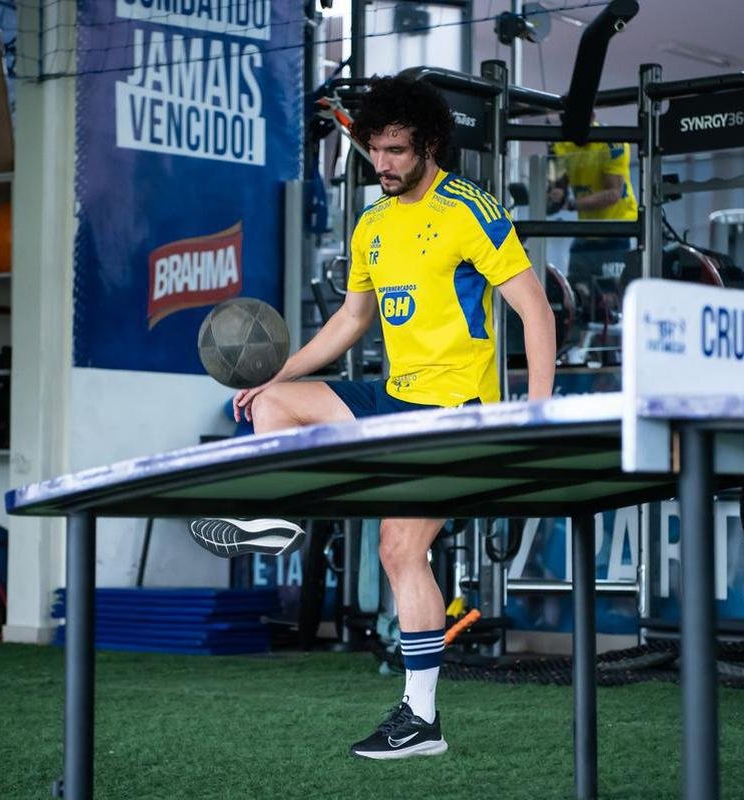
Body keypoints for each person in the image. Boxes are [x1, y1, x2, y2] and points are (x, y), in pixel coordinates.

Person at [188, 75, 555, 760]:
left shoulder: (468, 209)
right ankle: (279, 522)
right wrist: (280, 371)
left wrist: (533, 413)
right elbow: (352, 319)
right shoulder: (372, 222)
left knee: (398, 549)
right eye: (373, 152)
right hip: (394, 397)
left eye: (394, 151)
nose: (381, 165)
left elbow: (533, 311)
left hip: (455, 411)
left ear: (429, 145)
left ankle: (421, 721)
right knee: (271, 403)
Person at [549, 137, 638, 321]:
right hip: (586, 234)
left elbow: (613, 193)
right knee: (578, 302)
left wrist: (571, 204)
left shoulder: (612, 142)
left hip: (616, 232)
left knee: (612, 306)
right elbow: (556, 190)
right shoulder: (561, 145)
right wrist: (554, 193)